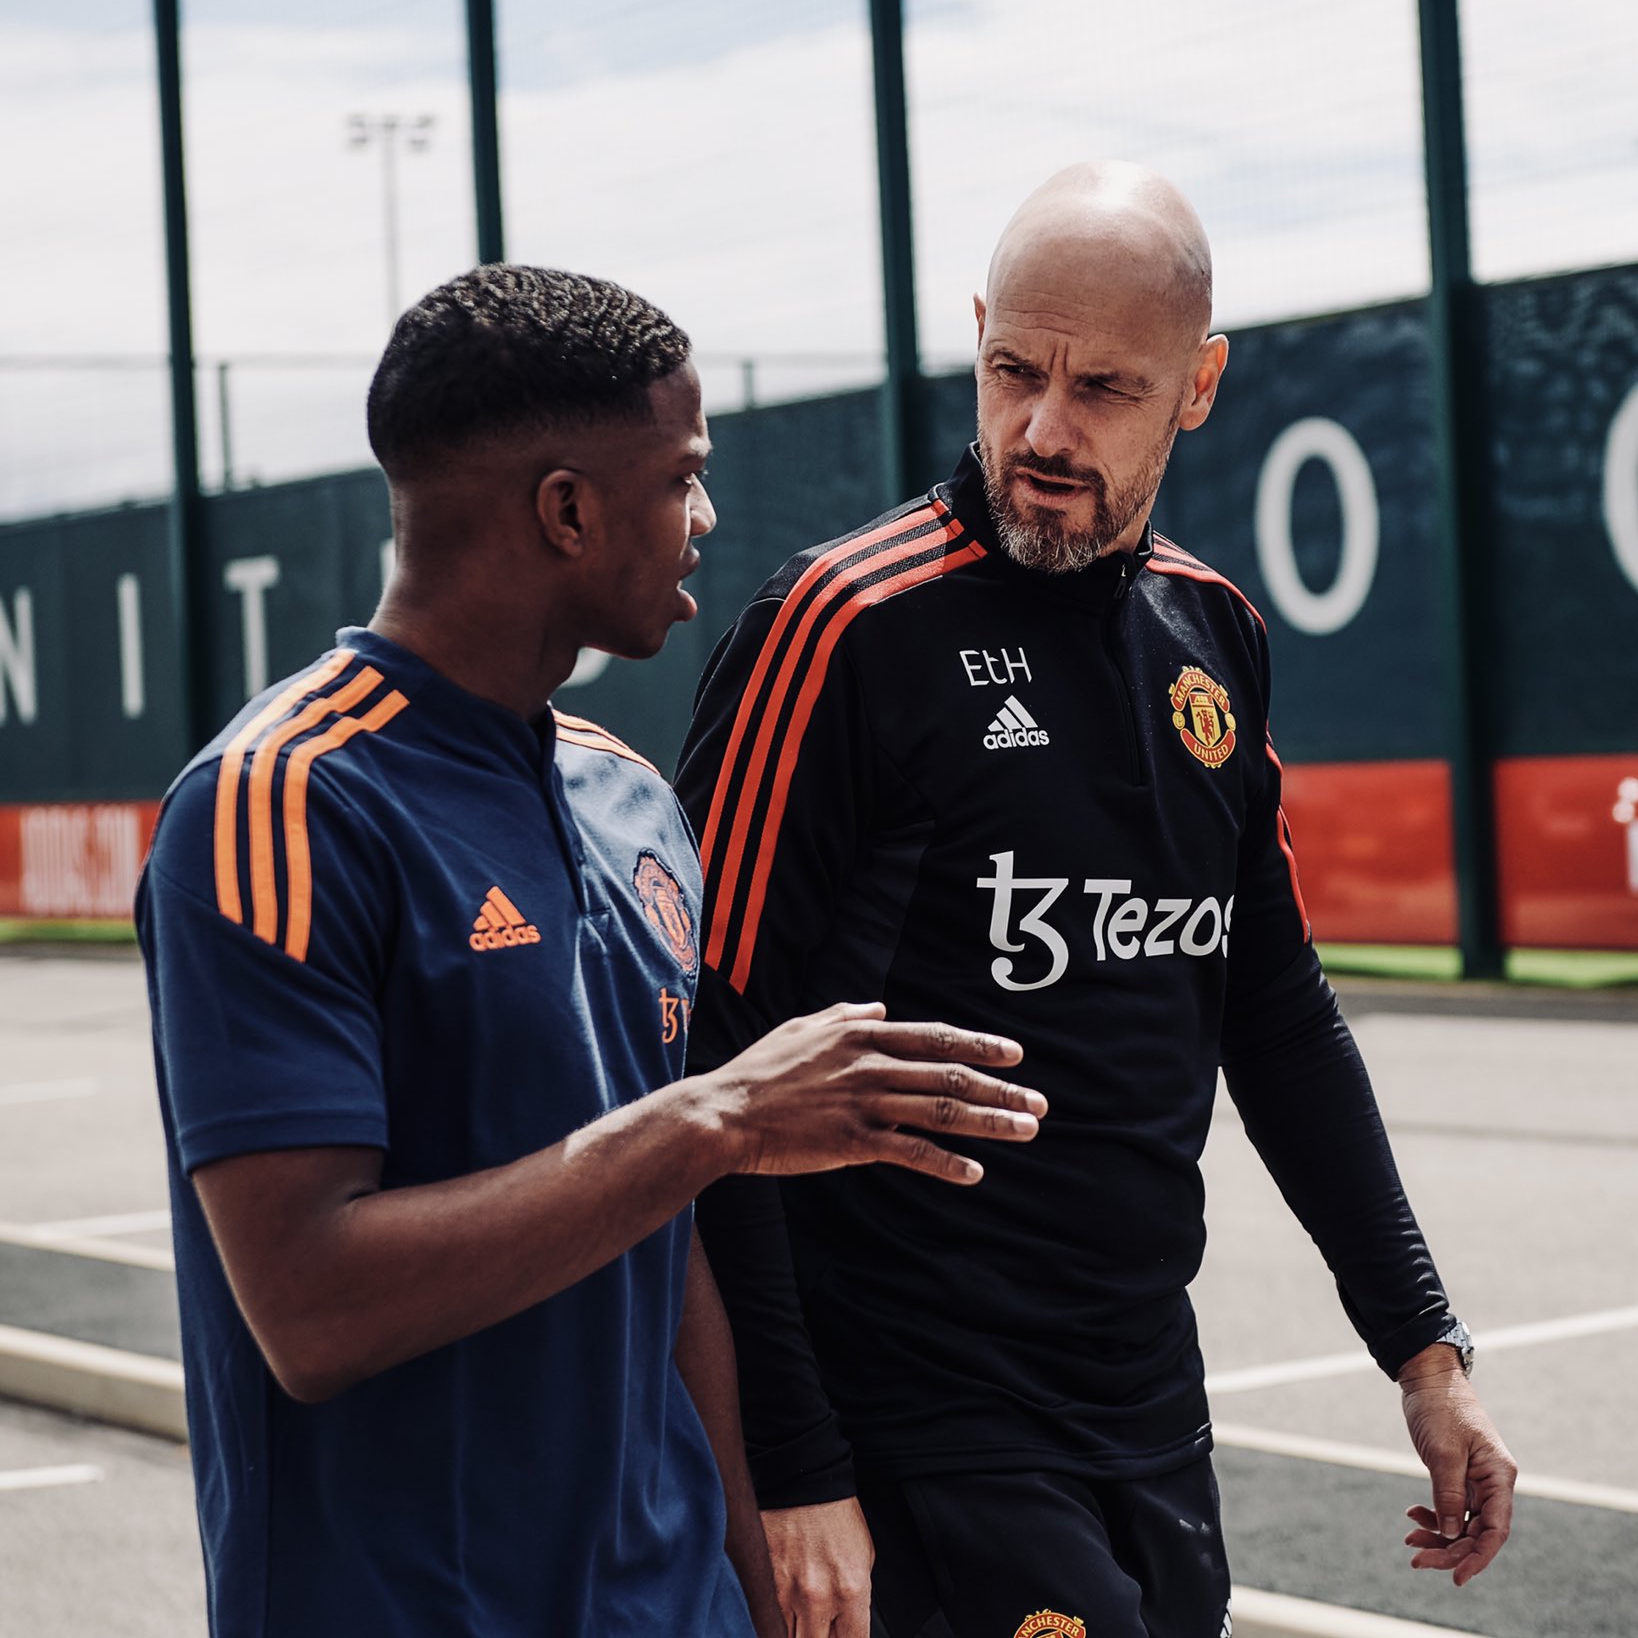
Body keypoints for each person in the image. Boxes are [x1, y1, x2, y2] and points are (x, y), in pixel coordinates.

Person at [136, 265, 1048, 1638]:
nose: (705, 518)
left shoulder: (628, 795)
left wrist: (751, 1585)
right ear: (566, 510)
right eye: (682, 476)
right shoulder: (278, 803)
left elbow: (667, 1250)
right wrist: (717, 1117)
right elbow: (309, 1309)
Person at [677, 165, 1517, 1638]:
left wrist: (1422, 1354)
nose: (1043, 431)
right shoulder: (841, 626)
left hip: (1144, 1402)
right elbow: (708, 1064)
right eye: (1014, 371)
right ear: (978, 336)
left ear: (1197, 386)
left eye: (1104, 388)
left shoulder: (1213, 630)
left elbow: (1272, 1013)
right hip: (916, 1419)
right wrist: (794, 1469)